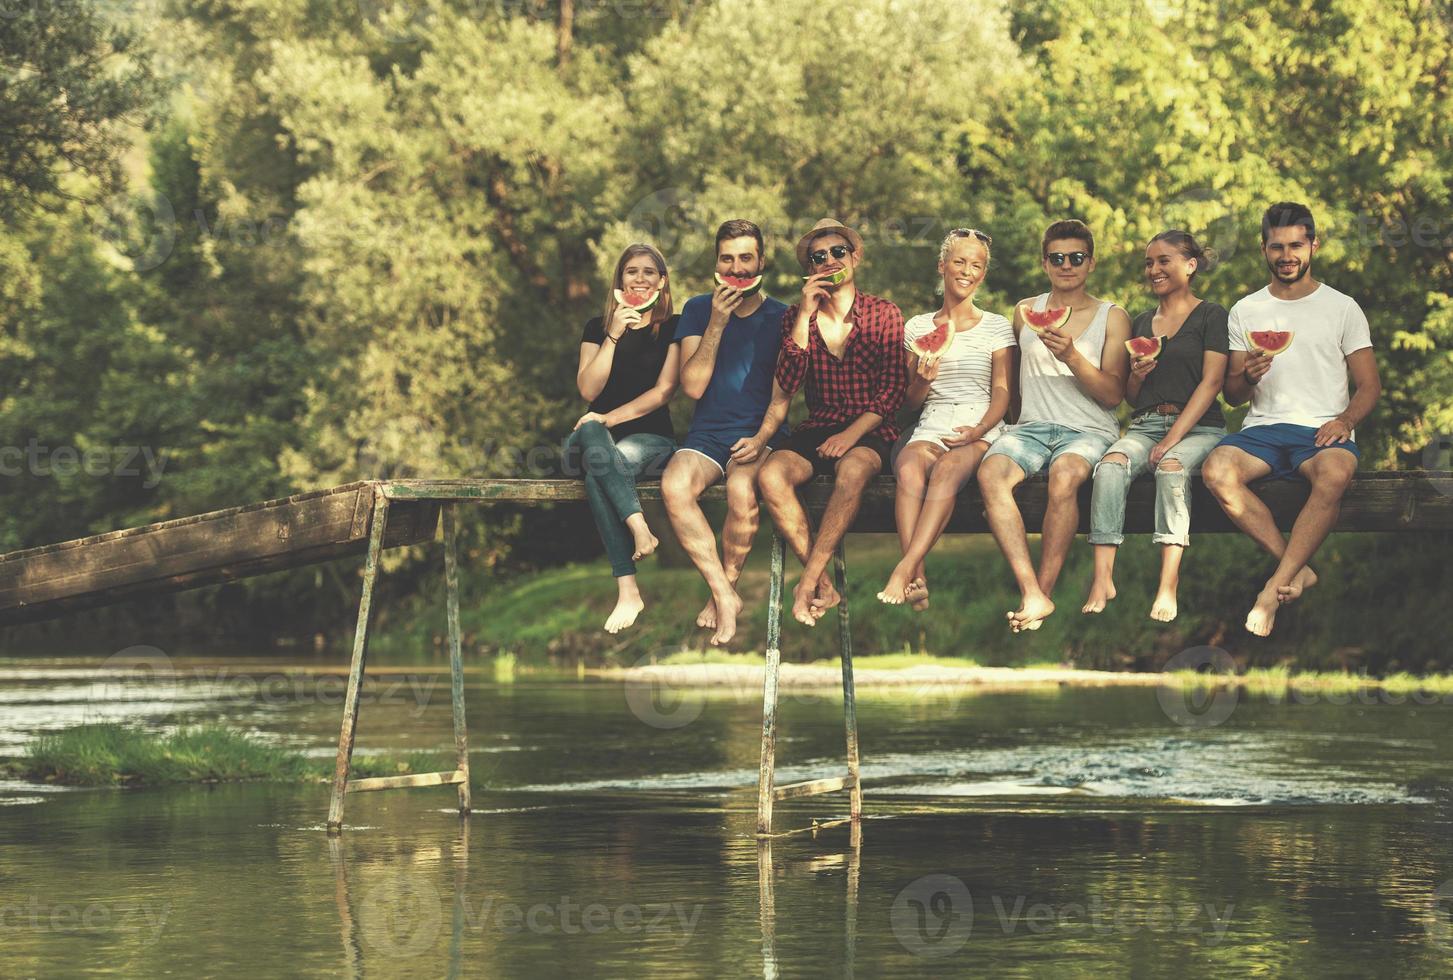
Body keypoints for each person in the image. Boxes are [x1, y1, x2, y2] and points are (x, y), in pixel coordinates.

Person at [1201, 202, 1381, 636]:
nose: (1287, 255)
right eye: (1277, 246)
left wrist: (1344, 421)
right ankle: (1295, 570)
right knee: (1215, 470)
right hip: (1261, 429)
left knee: (1336, 474)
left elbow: (1369, 385)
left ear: (1313, 246)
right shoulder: (1246, 310)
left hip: (1321, 429)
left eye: (1296, 245)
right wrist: (1247, 375)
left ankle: (1273, 589)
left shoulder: (1342, 307)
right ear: (1264, 250)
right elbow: (1233, 395)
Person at [977, 219, 1130, 632]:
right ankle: (1031, 591)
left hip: (1089, 431)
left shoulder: (1112, 317)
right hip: (1030, 429)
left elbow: (1114, 395)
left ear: (1091, 263)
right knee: (991, 474)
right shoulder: (1025, 312)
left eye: (1076, 257)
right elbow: (1012, 383)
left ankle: (1043, 592)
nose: (1067, 265)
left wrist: (1074, 358)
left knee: (1065, 476)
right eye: (1057, 258)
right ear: (1045, 263)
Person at [756, 218, 909, 626]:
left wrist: (850, 435)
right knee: (771, 475)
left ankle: (805, 584)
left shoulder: (884, 313)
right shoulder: (795, 316)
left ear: (854, 257)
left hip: (870, 429)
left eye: (837, 252)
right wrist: (805, 314)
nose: (828, 261)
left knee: (854, 468)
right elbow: (787, 383)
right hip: (818, 427)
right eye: (817, 257)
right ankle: (821, 580)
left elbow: (892, 391)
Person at [1083, 230, 1229, 623]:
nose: (1154, 269)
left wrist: (1173, 438)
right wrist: (1136, 373)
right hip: (1145, 424)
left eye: (1164, 260)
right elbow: (1132, 395)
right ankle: (1103, 577)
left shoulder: (1211, 315)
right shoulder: (1142, 321)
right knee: (1110, 466)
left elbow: (1212, 383)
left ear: (1190, 265)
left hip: (1199, 428)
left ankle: (1168, 584)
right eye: (1150, 262)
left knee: (1171, 469)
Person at [660, 220, 789, 646]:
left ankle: (724, 591)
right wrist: (717, 323)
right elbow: (692, 385)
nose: (736, 268)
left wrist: (762, 439)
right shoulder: (698, 309)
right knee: (674, 484)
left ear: (761, 262)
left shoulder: (784, 317)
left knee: (740, 489)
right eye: (727, 259)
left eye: (745, 259)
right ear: (716, 263)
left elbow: (782, 394)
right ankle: (723, 593)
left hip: (762, 437)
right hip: (708, 437)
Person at [878, 228, 1014, 609]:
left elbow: (1003, 393)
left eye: (976, 265)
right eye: (959, 261)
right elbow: (909, 401)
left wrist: (979, 430)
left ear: (982, 274)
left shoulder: (997, 325)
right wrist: (922, 379)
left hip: (982, 422)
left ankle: (904, 569)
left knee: (946, 472)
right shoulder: (919, 327)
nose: (967, 271)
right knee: (907, 470)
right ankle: (918, 578)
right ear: (942, 266)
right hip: (932, 421)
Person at [564, 243, 681, 634]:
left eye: (649, 272)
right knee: (592, 432)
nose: (640, 279)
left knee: (600, 469)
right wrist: (612, 336)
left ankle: (628, 589)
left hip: (651, 440)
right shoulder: (596, 328)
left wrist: (607, 418)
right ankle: (640, 530)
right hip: (589, 438)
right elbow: (588, 391)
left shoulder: (673, 327)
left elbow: (664, 391)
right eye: (632, 272)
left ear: (662, 282)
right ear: (620, 279)